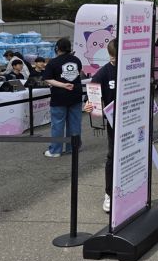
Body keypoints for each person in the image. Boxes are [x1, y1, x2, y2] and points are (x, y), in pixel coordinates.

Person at [84, 39, 118, 213]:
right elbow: (92, 94)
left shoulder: (132, 67)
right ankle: (109, 194)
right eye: (113, 58)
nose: (115, 61)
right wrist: (89, 104)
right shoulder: (103, 72)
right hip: (113, 121)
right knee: (112, 156)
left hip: (133, 119)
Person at [42, 38, 83, 158]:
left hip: (59, 96)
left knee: (58, 124)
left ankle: (55, 150)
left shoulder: (53, 62)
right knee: (75, 123)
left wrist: (63, 85)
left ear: (57, 48)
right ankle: (73, 148)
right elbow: (78, 73)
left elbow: (47, 78)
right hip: (75, 94)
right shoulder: (76, 60)